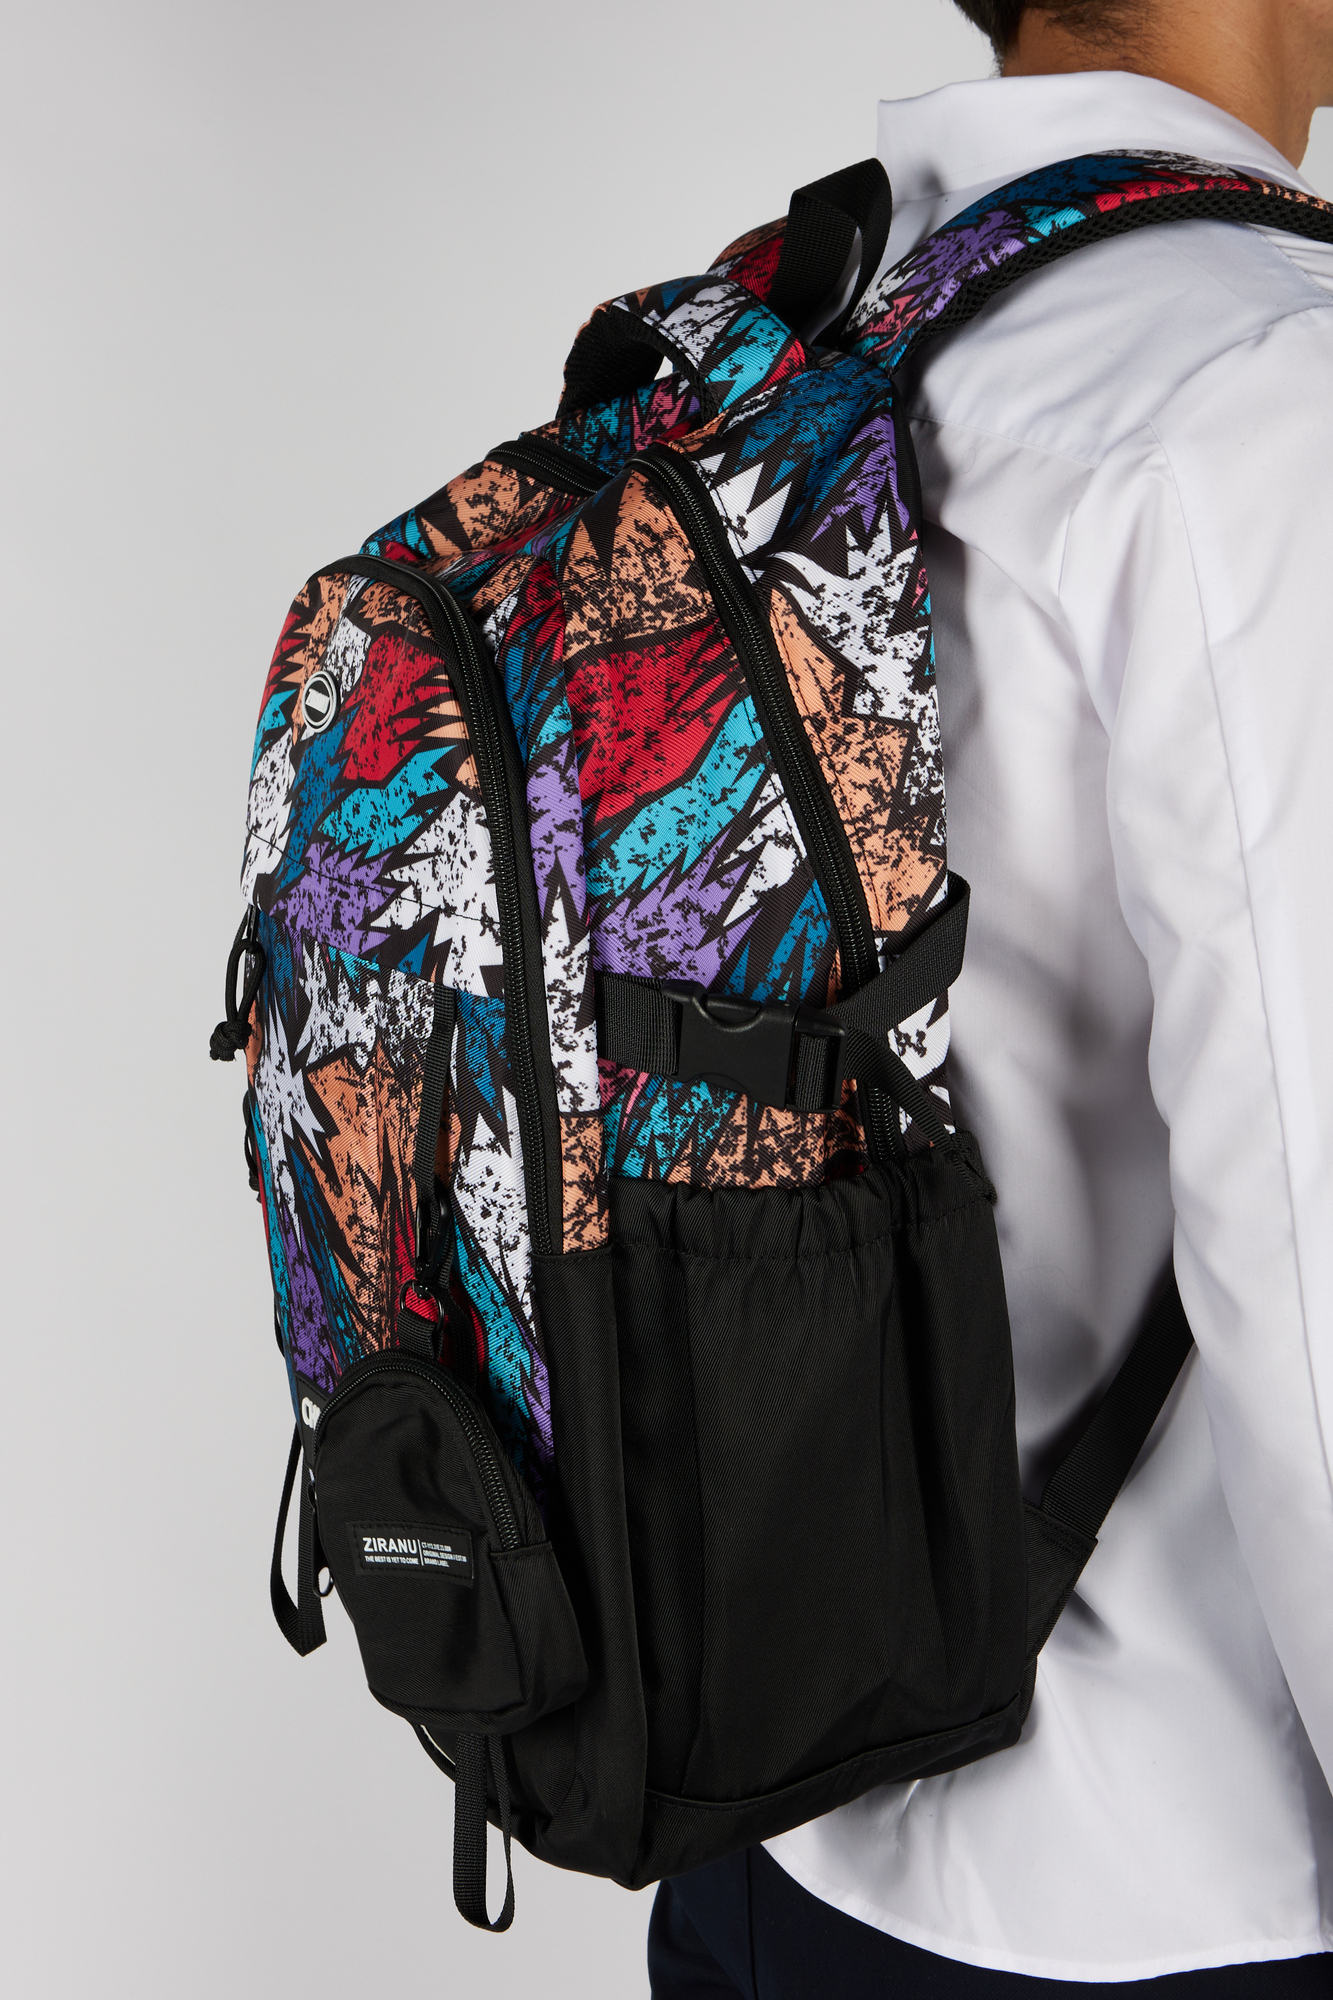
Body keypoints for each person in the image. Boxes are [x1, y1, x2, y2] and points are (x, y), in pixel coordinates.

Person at [647, 3, 1333, 1992]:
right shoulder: (1261, 388)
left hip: (761, 1824)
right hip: (1159, 1872)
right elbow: (1316, 1239)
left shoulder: (785, 329)